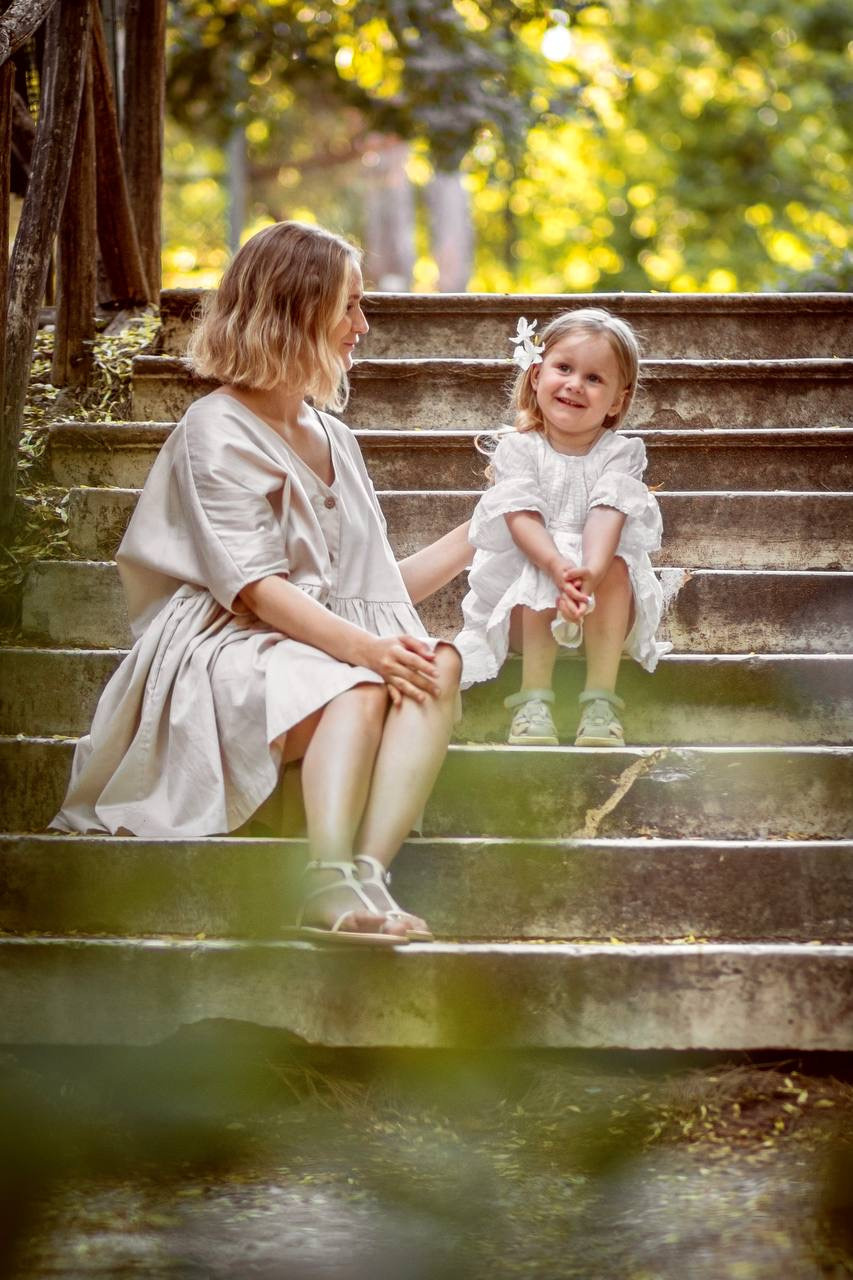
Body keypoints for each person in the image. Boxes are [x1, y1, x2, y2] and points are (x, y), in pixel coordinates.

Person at [52, 221, 472, 946]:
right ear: (293, 308)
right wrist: (369, 654)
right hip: (228, 645)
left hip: (319, 642)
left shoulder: (335, 436)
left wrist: (476, 535)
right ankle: (325, 877)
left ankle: (367, 872)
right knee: (363, 680)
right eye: (349, 306)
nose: (361, 327)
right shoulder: (212, 427)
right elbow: (254, 590)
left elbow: (368, 591)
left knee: (439, 660)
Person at [454, 308, 668, 748]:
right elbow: (521, 518)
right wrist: (557, 567)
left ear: (617, 401)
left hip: (603, 611)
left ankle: (600, 701)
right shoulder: (519, 450)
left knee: (614, 564)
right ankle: (533, 700)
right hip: (523, 613)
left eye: (594, 378)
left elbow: (607, 512)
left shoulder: (620, 453)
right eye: (564, 368)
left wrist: (588, 573)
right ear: (536, 376)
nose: (574, 384)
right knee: (542, 559)